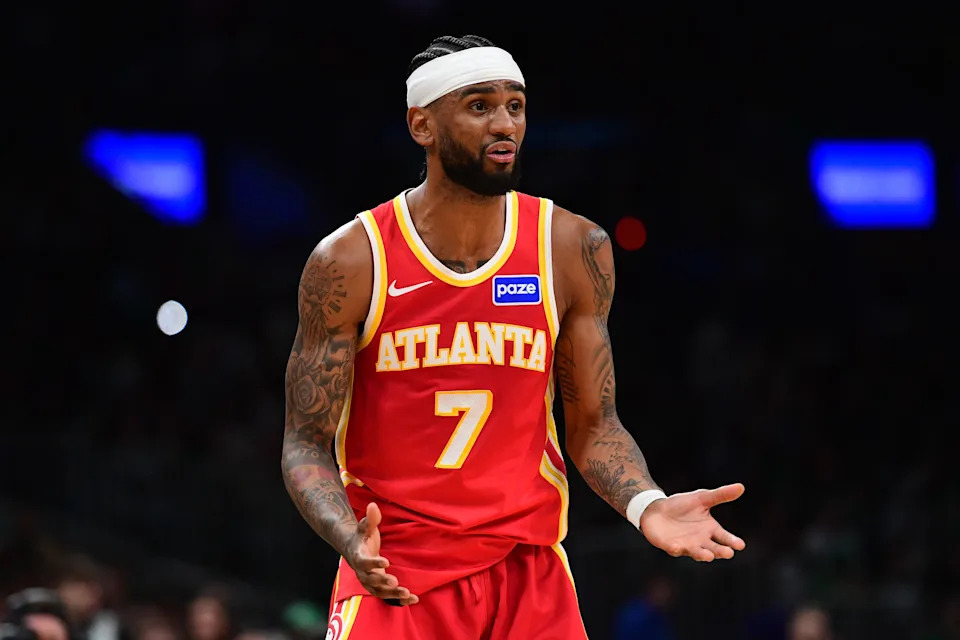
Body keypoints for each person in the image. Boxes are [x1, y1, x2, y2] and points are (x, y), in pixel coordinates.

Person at [281, 34, 747, 639]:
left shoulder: (571, 248)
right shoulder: (352, 260)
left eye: (516, 106)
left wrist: (647, 505)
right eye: (480, 106)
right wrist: (348, 536)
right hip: (394, 569)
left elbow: (594, 423)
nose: (505, 123)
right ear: (422, 125)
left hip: (528, 570)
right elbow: (304, 443)